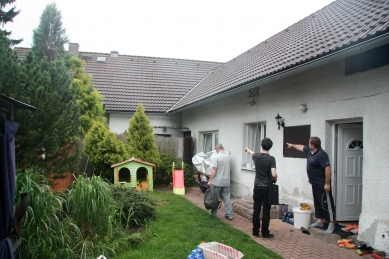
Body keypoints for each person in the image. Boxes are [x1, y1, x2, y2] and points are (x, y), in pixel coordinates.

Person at [286, 136, 336, 234]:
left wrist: (327, 183)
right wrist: (292, 145)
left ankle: (332, 223)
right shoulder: (310, 151)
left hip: (322, 185)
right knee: (318, 202)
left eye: (309, 143)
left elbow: (328, 168)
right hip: (314, 183)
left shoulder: (322, 155)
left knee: (327, 204)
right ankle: (320, 221)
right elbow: (301, 147)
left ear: (313, 145)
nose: (308, 144)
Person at [245, 138, 278, 238]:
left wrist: (247, 150)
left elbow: (252, 153)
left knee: (256, 209)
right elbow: (274, 174)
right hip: (267, 188)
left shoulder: (257, 156)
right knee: (266, 211)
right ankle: (265, 233)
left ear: (261, 145)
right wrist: (275, 178)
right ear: (270, 147)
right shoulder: (271, 159)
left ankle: (255, 231)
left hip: (257, 187)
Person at [207, 143, 233, 220]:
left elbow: (214, 169)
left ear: (217, 149)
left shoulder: (216, 157)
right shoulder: (229, 157)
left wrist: (210, 180)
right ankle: (229, 214)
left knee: (215, 198)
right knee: (227, 198)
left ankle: (213, 213)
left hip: (217, 182)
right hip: (226, 181)